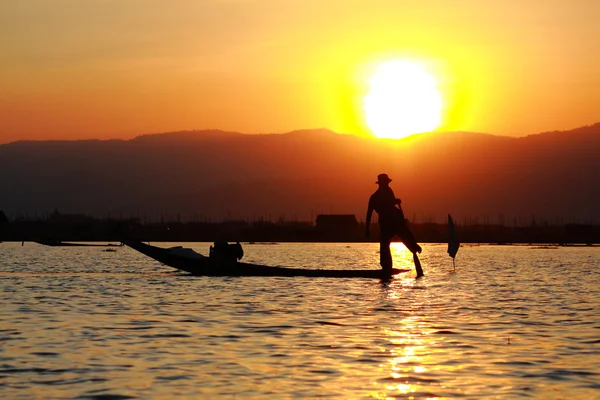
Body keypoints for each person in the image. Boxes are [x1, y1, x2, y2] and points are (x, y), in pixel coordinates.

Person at [365, 173, 424, 277]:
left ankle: (414, 248)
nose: (387, 184)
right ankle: (386, 268)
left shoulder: (389, 190)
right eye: (385, 183)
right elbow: (371, 212)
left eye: (387, 183)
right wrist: (367, 228)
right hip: (386, 223)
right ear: (381, 184)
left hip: (396, 220)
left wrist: (395, 202)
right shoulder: (375, 197)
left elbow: (390, 203)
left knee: (406, 236)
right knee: (384, 246)